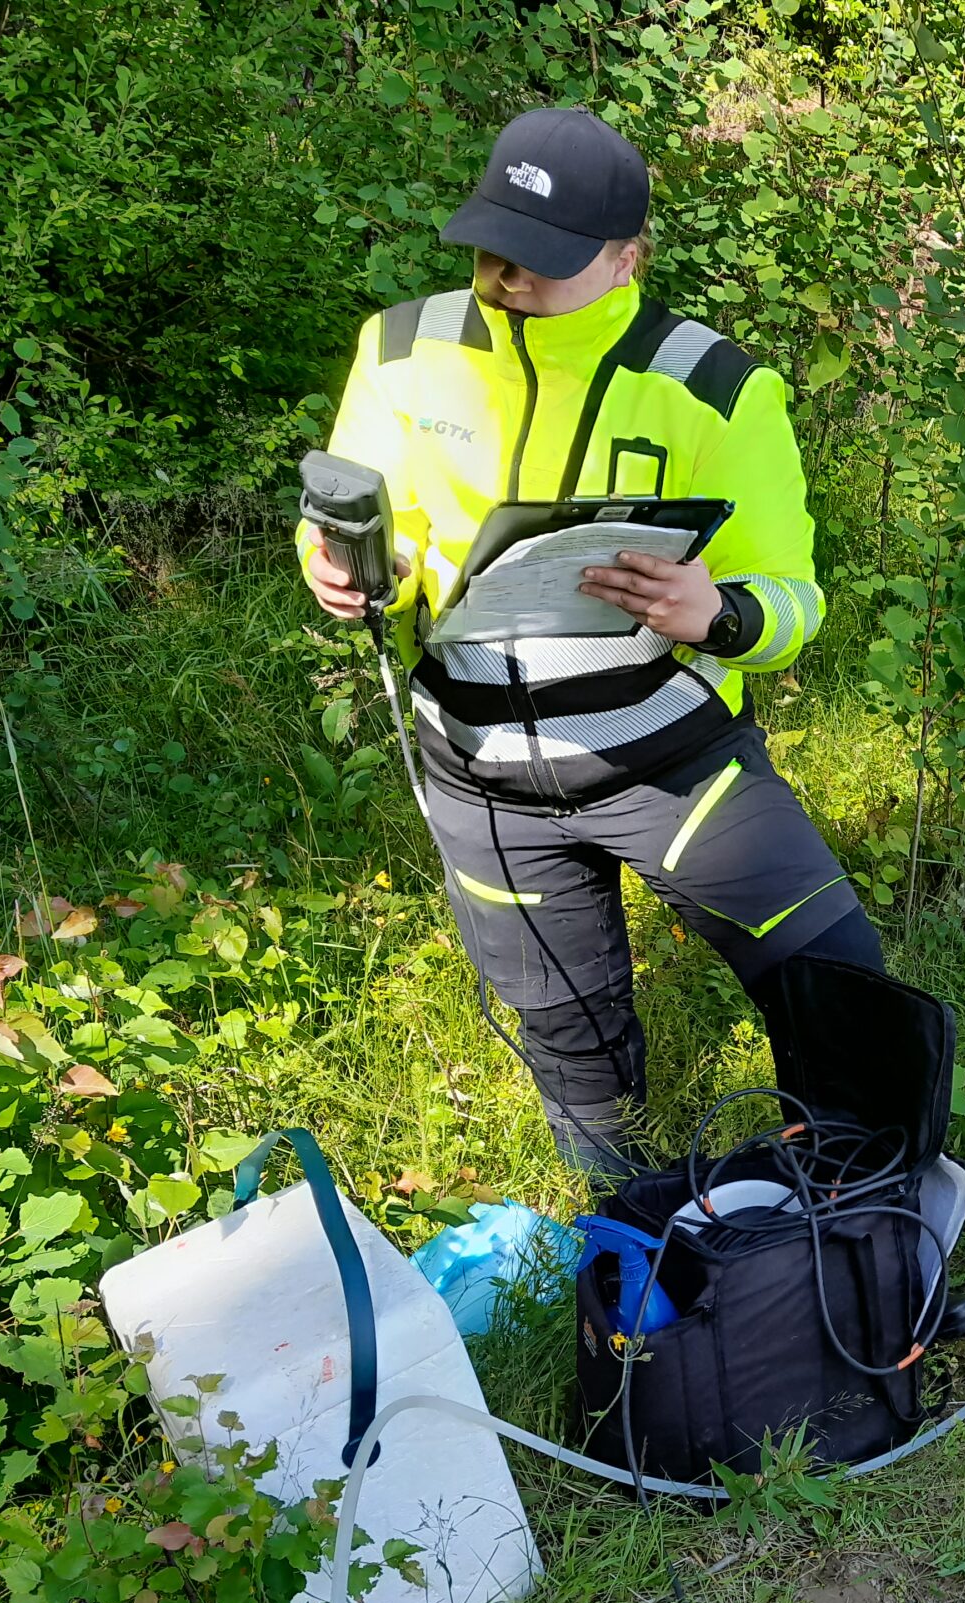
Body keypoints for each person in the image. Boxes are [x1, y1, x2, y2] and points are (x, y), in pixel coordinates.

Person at [298, 108, 882, 1182]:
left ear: (626, 257)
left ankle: (863, 1197)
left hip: (670, 765)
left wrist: (720, 616)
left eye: (543, 258)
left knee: (839, 984)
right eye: (491, 242)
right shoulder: (399, 351)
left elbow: (796, 598)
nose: (505, 271)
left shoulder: (714, 384)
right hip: (476, 772)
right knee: (569, 1042)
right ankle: (623, 1233)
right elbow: (351, 509)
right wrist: (333, 561)